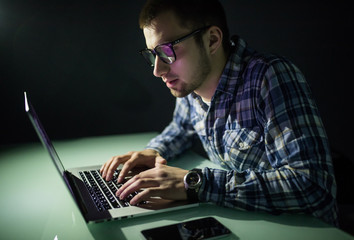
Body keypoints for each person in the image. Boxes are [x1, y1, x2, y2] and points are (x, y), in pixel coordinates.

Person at [100, 0, 338, 226]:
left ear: (212, 40)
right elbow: (181, 129)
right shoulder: (190, 85)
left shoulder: (271, 77)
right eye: (152, 54)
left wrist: (194, 183)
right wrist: (155, 151)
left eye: (167, 51)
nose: (157, 70)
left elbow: (312, 186)